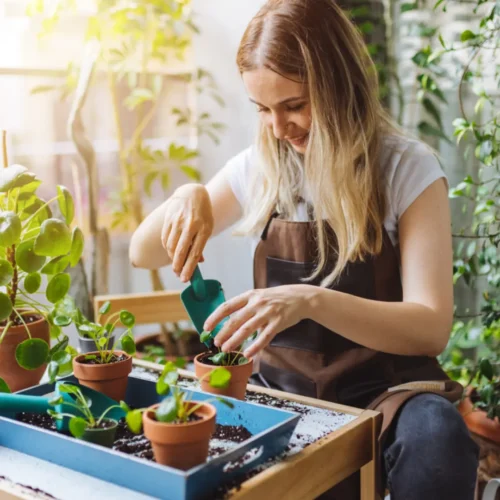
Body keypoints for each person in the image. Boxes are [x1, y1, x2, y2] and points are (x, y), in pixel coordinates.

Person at [129, 0, 479, 498]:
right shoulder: (260, 167)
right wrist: (191, 195)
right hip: (282, 396)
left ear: (341, 85)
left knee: (437, 441)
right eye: (263, 110)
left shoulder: (407, 169)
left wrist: (310, 300)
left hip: (387, 395)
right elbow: (143, 253)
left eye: (294, 105)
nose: (279, 127)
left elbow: (431, 327)